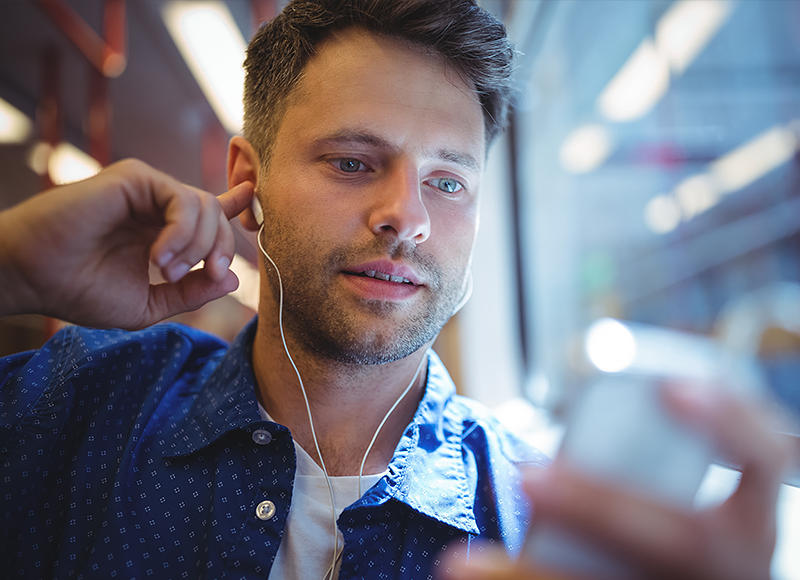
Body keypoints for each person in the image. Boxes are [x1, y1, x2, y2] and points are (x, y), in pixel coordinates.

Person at [0, 1, 790, 579]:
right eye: (352, 162)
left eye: (448, 181)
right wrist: (14, 269)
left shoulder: (539, 517)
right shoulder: (75, 408)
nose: (406, 218)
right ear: (250, 178)